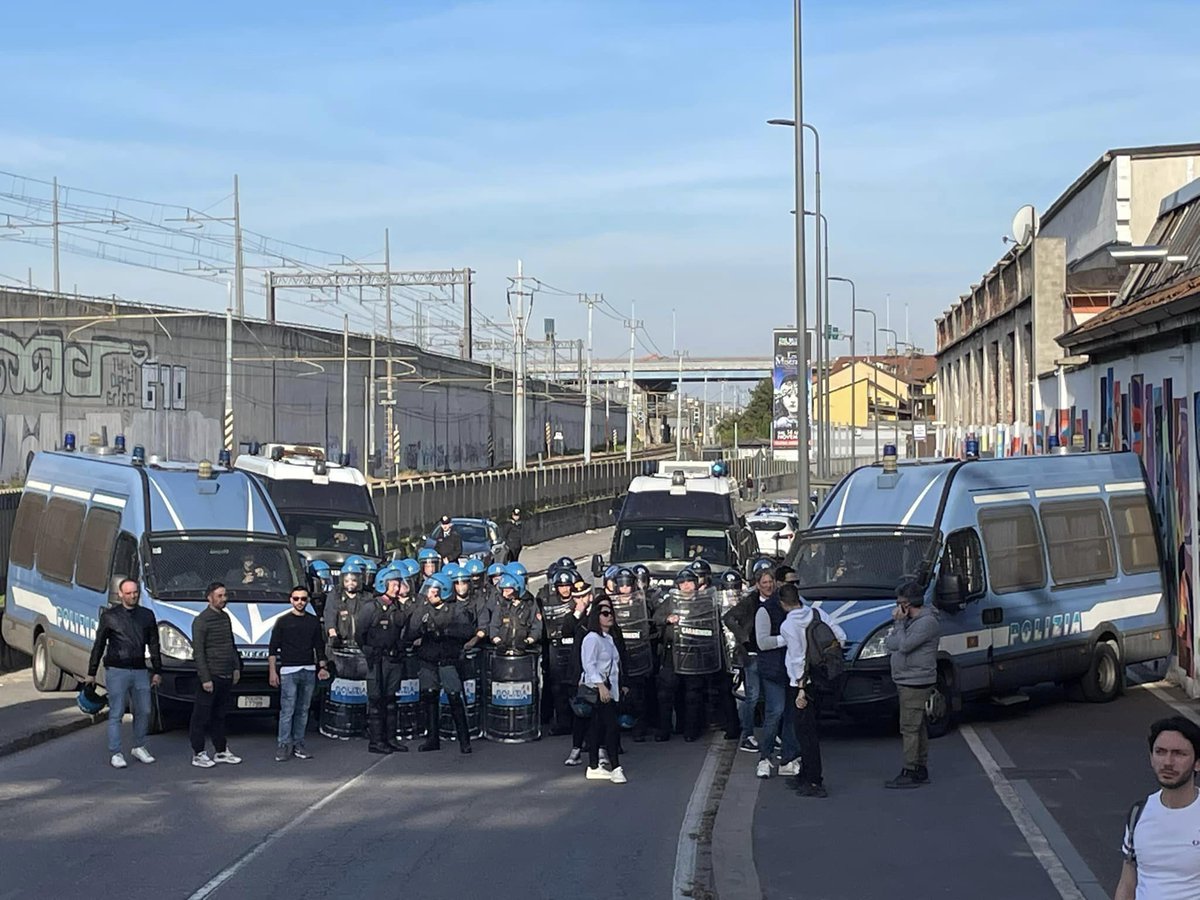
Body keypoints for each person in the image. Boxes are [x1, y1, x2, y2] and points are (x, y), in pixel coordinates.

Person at [1115, 716, 1200, 900]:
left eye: (1179, 753)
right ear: (1151, 757)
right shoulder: (1138, 813)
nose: (1168, 762)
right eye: (1160, 752)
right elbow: (1127, 882)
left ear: (1197, 762)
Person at [85, 578, 163, 769]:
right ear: (120, 594)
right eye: (128, 593)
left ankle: (139, 745)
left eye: (135, 592)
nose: (132, 596)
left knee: (144, 709)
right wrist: (91, 672)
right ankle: (116, 752)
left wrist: (157, 670)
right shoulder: (110, 616)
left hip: (139, 669)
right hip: (116, 669)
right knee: (116, 712)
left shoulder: (146, 615)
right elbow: (99, 645)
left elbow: (154, 644)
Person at [780, 584, 845, 799]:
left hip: (801, 684)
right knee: (810, 729)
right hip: (822, 677)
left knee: (805, 733)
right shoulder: (818, 613)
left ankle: (813, 780)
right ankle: (806, 774)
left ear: (783, 603)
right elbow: (840, 636)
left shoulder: (788, 625)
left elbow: (798, 658)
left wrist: (800, 688)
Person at [406, 574, 474, 753]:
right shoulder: (423, 609)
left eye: (433, 591)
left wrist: (445, 631)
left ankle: (464, 740)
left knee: (454, 697)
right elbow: (411, 631)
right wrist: (422, 629)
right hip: (428, 660)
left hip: (447, 659)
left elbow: (467, 630)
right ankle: (432, 739)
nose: (429, 594)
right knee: (429, 696)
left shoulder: (455, 610)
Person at [884, 579, 941, 789]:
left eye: (899, 602)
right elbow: (890, 644)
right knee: (917, 726)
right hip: (906, 677)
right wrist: (899, 629)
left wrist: (898, 624)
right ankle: (919, 767)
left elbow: (905, 646)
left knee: (909, 727)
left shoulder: (926, 622)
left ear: (907, 604)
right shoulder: (910, 623)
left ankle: (910, 769)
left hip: (915, 680)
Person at [268, 586, 330, 761]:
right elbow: (272, 649)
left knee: (303, 710)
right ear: (291, 600)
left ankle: (299, 744)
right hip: (288, 670)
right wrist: (273, 672)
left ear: (308, 600)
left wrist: (322, 667)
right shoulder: (282, 621)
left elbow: (319, 646)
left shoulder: (313, 621)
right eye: (296, 599)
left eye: (303, 599)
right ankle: (283, 745)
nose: (300, 602)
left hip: (308, 670)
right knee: (287, 710)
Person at [189, 583, 244, 768]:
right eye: (219, 596)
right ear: (209, 598)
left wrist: (236, 667)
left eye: (225, 595)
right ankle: (198, 753)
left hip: (226, 674)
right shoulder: (201, 621)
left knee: (219, 716)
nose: (224, 599)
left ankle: (221, 750)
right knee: (201, 716)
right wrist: (205, 678)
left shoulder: (226, 617)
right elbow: (198, 652)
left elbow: (231, 643)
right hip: (211, 676)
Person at [356, 576, 412, 755]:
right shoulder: (371, 607)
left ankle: (390, 738)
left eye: (398, 584)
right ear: (383, 584)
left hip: (393, 659)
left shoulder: (398, 607)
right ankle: (376, 741)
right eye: (394, 585)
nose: (397, 588)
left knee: (390, 700)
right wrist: (369, 651)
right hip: (376, 660)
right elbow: (359, 633)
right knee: (376, 700)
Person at [752, 571, 800, 779]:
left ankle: (788, 758)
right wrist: (787, 638)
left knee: (790, 715)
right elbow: (763, 642)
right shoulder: (764, 611)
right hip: (773, 669)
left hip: (791, 669)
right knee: (776, 712)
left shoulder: (797, 608)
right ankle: (765, 757)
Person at [580, 598, 627, 784]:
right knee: (611, 726)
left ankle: (593, 766)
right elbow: (589, 664)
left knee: (597, 727)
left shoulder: (608, 638)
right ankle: (615, 767)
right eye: (605, 613)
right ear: (596, 616)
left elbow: (614, 665)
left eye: (611, 613)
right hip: (596, 688)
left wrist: (616, 688)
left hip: (607, 687)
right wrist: (600, 686)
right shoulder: (591, 638)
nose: (610, 617)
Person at [489, 574, 543, 652]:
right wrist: (498, 642)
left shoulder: (530, 604)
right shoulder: (501, 604)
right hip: (503, 651)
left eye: (507, 591)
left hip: (524, 651)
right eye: (503, 591)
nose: (504, 594)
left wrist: (528, 641)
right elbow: (494, 626)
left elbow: (537, 627)